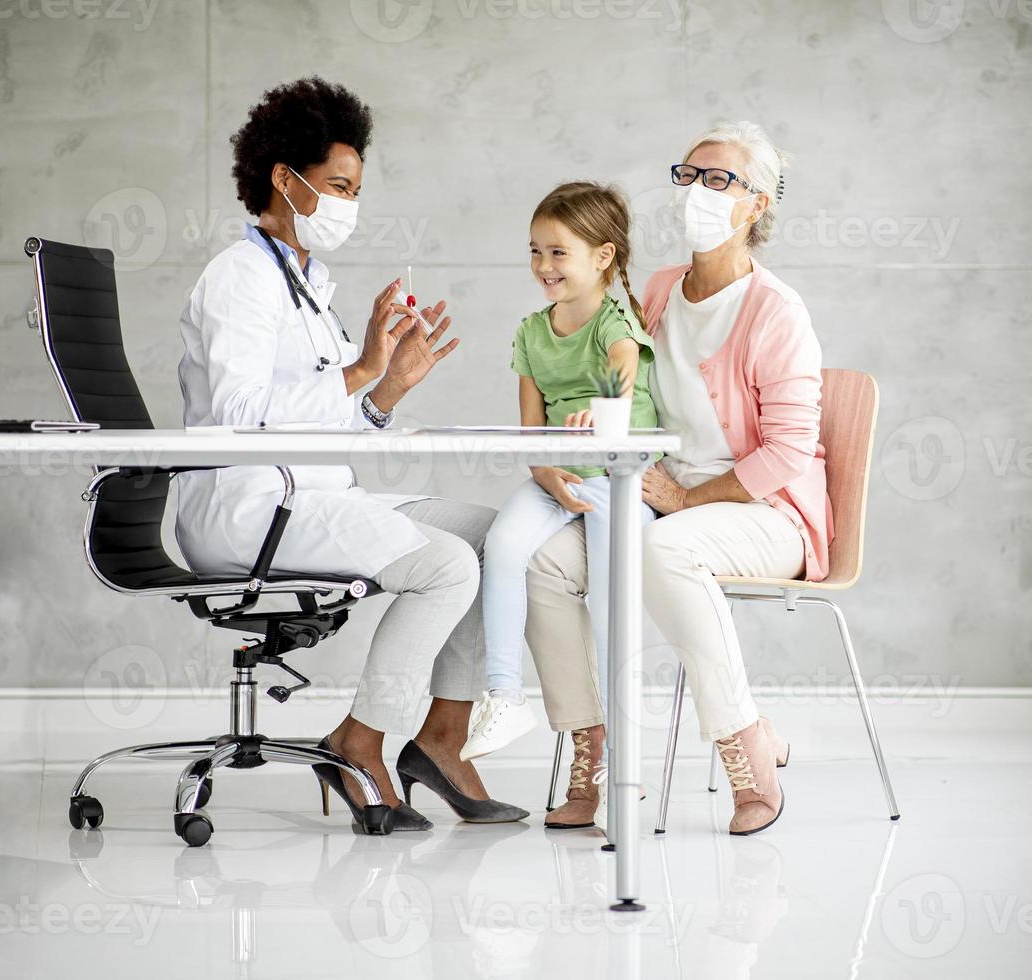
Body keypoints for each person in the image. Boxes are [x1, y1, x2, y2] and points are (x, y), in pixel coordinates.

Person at [175, 76, 528, 830]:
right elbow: (240, 418)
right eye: (336, 184)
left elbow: (334, 418)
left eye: (355, 189)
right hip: (248, 508)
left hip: (312, 495)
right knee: (446, 565)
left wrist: (387, 387)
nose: (347, 204)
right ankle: (360, 742)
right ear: (283, 178)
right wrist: (363, 369)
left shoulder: (303, 284)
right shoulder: (239, 279)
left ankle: (438, 740)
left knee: (494, 537)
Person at [526, 121, 830, 835]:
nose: (698, 192)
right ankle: (591, 749)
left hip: (762, 511)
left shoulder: (775, 311)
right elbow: (605, 385)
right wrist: (558, 449)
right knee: (545, 561)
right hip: (659, 496)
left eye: (720, 180)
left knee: (665, 549)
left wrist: (690, 497)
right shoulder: (658, 291)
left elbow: (789, 451)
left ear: (755, 205)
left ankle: (742, 745)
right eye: (689, 177)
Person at [460, 182, 658, 772]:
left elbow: (621, 378)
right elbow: (530, 432)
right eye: (535, 251)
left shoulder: (615, 324)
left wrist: (596, 413)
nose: (543, 266)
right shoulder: (529, 333)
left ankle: (622, 755)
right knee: (502, 546)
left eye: (558, 252)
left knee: (607, 598)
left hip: (616, 477)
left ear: (603, 257)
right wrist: (546, 469)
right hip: (560, 477)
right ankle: (503, 695)